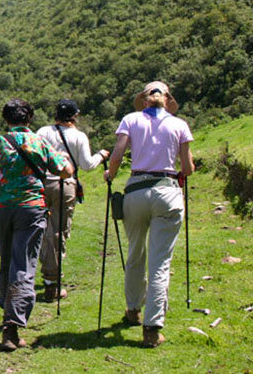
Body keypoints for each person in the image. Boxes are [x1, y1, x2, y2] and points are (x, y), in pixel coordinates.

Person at [0, 98, 72, 351]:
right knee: (23, 263)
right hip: (30, 209)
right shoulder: (39, 142)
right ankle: (11, 327)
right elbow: (65, 171)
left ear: (6, 119)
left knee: (7, 259)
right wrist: (63, 159)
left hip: (0, 209)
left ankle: (7, 305)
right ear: (29, 119)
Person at [104, 81, 194, 348]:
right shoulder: (180, 125)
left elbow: (119, 152)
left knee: (135, 253)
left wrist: (112, 173)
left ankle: (133, 309)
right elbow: (187, 168)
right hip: (167, 191)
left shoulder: (130, 119)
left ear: (144, 100)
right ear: (168, 100)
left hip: (136, 191)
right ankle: (152, 328)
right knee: (159, 262)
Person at [36, 99, 110, 301]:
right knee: (59, 231)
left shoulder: (42, 132)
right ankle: (52, 281)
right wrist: (101, 156)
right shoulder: (79, 136)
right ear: (75, 116)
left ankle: (44, 269)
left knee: (42, 230)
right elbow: (87, 165)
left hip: (42, 184)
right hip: (65, 185)